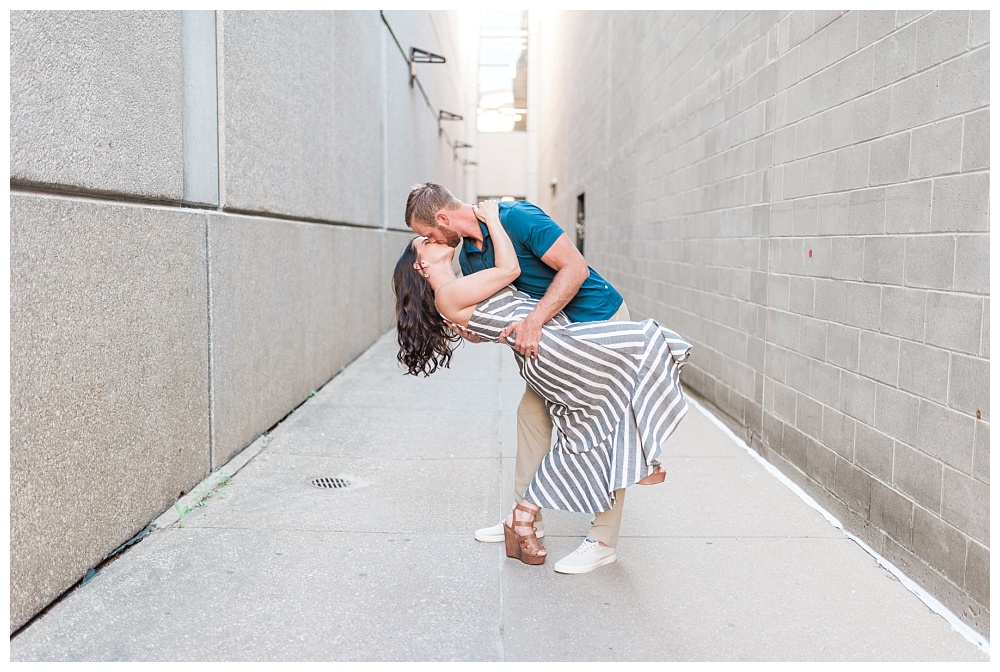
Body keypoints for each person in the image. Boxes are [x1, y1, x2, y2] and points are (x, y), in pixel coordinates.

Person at [395, 190, 691, 571]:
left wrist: (533, 321)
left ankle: (602, 538)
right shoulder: (469, 255)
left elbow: (575, 269)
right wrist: (479, 330)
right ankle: (525, 520)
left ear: (443, 220)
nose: (432, 243)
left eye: (430, 235)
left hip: (597, 316)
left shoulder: (516, 218)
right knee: (531, 416)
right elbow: (497, 310)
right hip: (554, 336)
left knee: (603, 420)